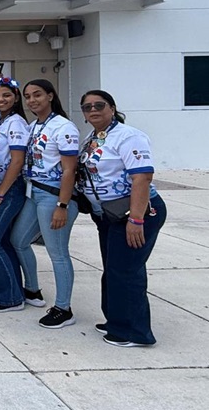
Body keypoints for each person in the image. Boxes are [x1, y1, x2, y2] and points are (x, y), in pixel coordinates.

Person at [77, 90, 167, 347]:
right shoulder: (94, 137)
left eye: (99, 105)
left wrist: (136, 220)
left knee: (126, 271)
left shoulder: (129, 136)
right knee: (114, 269)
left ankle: (135, 332)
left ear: (112, 108)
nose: (93, 110)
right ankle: (116, 320)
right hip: (110, 214)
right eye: (87, 107)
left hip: (136, 212)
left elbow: (142, 177)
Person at [10, 79, 80, 329]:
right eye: (28, 96)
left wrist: (62, 205)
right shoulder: (33, 126)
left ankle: (64, 308)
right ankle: (32, 289)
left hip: (54, 197)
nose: (32, 100)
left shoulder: (64, 127)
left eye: (37, 94)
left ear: (50, 96)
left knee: (58, 253)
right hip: (34, 193)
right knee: (18, 241)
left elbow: (70, 170)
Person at [0, 78, 28, 312]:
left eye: (6, 95)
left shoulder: (16, 123)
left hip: (8, 189)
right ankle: (13, 291)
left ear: (16, 98)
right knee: (2, 241)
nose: (1, 99)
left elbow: (17, 161)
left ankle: (9, 298)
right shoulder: (1, 121)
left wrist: (0, 194)